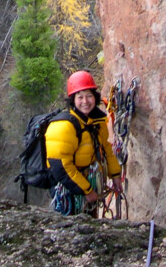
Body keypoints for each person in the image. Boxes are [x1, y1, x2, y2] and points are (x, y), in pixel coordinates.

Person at [44, 71, 123, 215]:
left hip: (88, 185)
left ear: (95, 97)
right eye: (80, 97)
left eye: (89, 96)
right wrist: (86, 190)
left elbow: (105, 148)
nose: (85, 101)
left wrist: (115, 174)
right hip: (69, 190)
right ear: (73, 100)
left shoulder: (96, 122)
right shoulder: (63, 126)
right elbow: (60, 166)